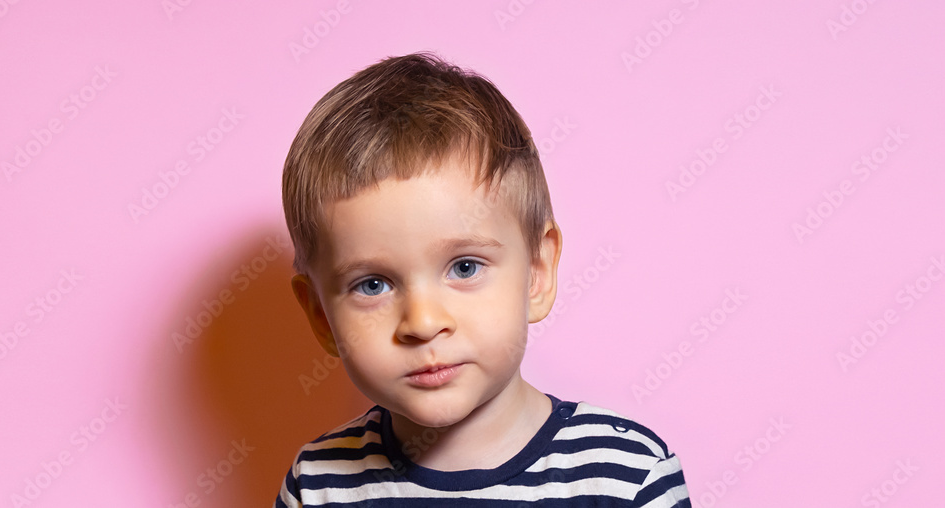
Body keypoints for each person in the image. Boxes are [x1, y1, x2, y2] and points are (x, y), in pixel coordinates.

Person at [276, 51, 690, 507]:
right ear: (320, 314)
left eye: (464, 267)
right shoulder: (317, 485)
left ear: (536, 272)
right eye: (373, 284)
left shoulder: (627, 476)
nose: (424, 322)